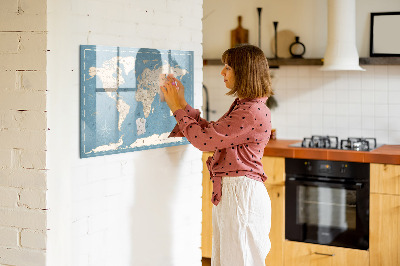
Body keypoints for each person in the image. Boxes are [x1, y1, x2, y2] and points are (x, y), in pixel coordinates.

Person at [161, 44, 273, 266]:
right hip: (236, 193)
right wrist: (182, 104)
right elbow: (212, 133)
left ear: (244, 72)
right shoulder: (246, 106)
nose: (222, 72)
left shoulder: (250, 111)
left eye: (228, 67)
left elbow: (204, 141)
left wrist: (176, 108)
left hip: (241, 195)